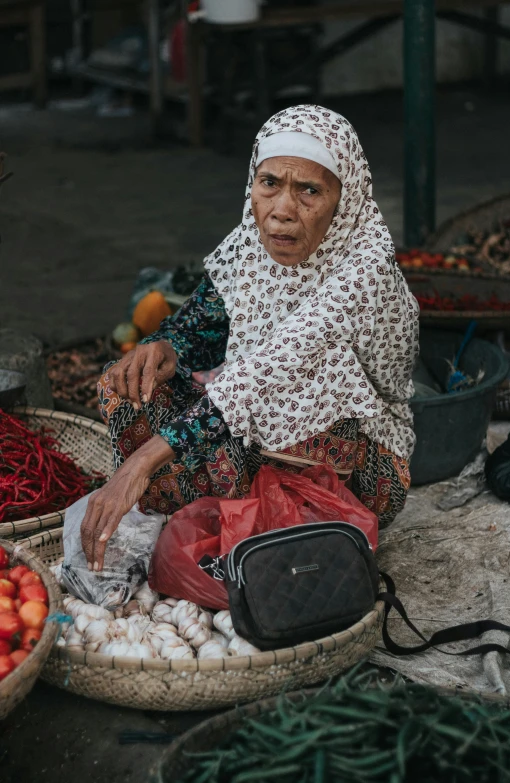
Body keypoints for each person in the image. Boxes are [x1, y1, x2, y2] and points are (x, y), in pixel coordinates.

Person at [82, 104, 419, 571]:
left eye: (309, 191)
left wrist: (141, 462)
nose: (281, 211)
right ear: (252, 185)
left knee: (320, 377)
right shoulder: (251, 247)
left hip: (361, 458)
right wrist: (166, 348)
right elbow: (199, 324)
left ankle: (287, 528)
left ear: (345, 201)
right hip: (253, 422)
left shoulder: (365, 267)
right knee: (129, 385)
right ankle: (217, 512)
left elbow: (268, 372)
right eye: (269, 184)